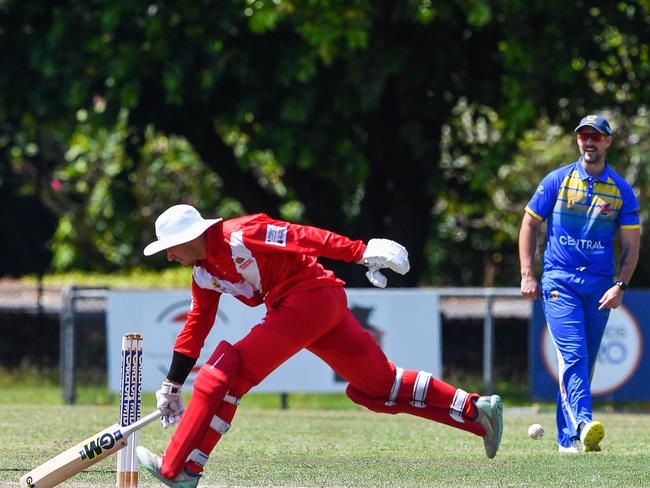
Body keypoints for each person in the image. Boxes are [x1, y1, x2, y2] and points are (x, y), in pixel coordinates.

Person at [136, 204, 504, 488]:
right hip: (313, 306)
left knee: (224, 373)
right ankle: (475, 409)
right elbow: (196, 324)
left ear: (190, 237)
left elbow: (301, 236)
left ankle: (179, 468)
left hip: (308, 299)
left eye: (170, 248)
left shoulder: (240, 233)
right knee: (378, 387)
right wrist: (171, 383)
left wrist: (359, 251)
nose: (169, 256)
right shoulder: (204, 272)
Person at [518, 114, 640, 454]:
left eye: (596, 136)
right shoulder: (557, 181)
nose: (589, 141)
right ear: (577, 141)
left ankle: (567, 439)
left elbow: (631, 246)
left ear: (608, 142)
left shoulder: (621, 191)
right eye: (584, 135)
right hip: (560, 283)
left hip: (600, 288)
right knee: (572, 355)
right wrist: (528, 273)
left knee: (583, 361)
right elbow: (529, 226)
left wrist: (620, 286)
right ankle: (585, 423)